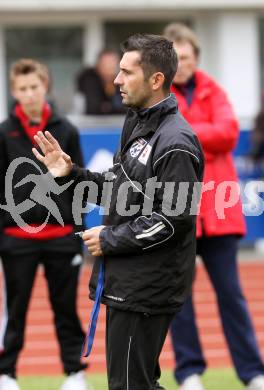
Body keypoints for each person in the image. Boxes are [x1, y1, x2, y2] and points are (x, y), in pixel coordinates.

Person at [32, 34, 204, 390]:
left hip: (147, 286)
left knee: (129, 385)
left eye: (126, 72)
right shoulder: (137, 121)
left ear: (156, 80)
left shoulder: (176, 141)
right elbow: (119, 191)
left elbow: (174, 221)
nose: (116, 80)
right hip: (127, 279)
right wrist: (71, 174)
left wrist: (110, 238)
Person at [163, 23, 264, 390]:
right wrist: (198, 132)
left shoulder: (213, 91)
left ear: (196, 58)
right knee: (180, 299)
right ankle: (189, 372)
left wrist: (183, 131)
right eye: (176, 58)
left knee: (232, 297)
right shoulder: (159, 96)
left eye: (187, 57)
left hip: (220, 214)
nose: (182, 64)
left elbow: (229, 134)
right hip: (177, 214)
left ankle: (253, 372)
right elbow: (164, 139)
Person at [0, 59, 88, 390]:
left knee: (66, 309)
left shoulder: (66, 129)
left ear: (46, 87)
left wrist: (77, 231)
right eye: (22, 89)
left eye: (34, 87)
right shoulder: (3, 133)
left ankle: (75, 372)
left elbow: (80, 183)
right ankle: (5, 372)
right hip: (17, 239)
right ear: (14, 92)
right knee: (14, 310)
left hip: (61, 237)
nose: (29, 94)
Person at [75, 49, 126, 115]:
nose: (110, 70)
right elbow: (93, 109)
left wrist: (108, 107)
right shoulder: (89, 80)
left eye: (112, 66)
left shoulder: (121, 81)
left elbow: (129, 107)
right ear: (98, 65)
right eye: (106, 65)